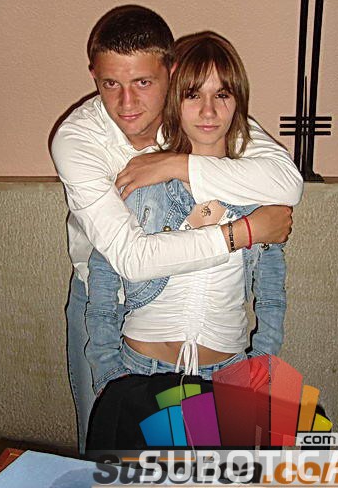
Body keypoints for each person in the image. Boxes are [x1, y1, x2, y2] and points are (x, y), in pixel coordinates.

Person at [50, 5, 302, 452]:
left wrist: (175, 164)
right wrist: (243, 233)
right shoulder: (77, 139)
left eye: (143, 83)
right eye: (111, 84)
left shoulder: (200, 115)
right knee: (105, 449)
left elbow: (288, 184)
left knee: (206, 469)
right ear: (94, 77)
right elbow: (127, 260)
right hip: (107, 302)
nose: (127, 104)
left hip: (218, 356)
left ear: (170, 72)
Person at [85, 30, 288, 401]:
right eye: (193, 95)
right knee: (135, 446)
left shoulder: (262, 192)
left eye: (222, 95)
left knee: (225, 450)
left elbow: (272, 296)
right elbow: (102, 279)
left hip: (225, 377)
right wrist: (107, 371)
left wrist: (261, 369)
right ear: (174, 100)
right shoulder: (142, 180)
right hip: (140, 369)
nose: (208, 111)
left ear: (238, 101)